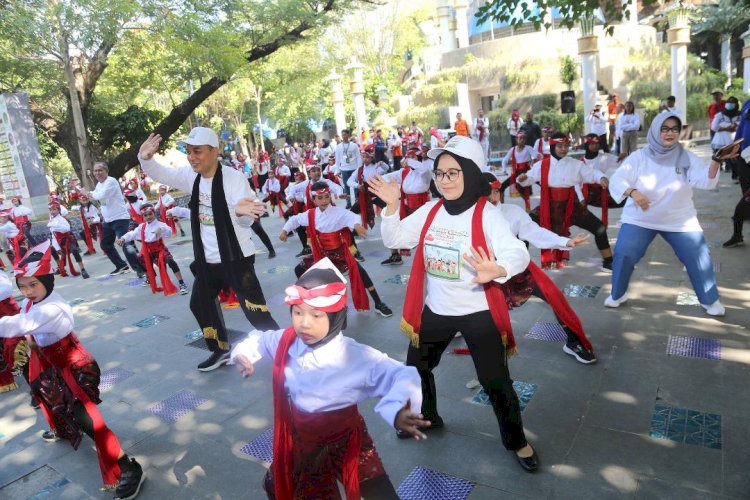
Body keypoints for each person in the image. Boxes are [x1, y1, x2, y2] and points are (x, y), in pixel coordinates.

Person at [369, 135, 540, 472]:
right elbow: (396, 239)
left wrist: (499, 268)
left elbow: (517, 252)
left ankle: (517, 441)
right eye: (440, 173)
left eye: (453, 173)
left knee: (496, 382)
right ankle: (428, 416)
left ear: (472, 174)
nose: (445, 181)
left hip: (478, 313)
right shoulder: (431, 210)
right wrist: (391, 207)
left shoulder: (487, 214)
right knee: (417, 370)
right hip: (437, 311)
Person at [230, 258, 425, 499]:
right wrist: (242, 354)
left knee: (378, 492)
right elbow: (259, 339)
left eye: (316, 315)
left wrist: (399, 409)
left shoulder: (354, 355)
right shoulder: (288, 341)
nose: (304, 323)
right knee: (288, 489)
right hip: (304, 442)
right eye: (298, 312)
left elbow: (402, 374)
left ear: (336, 318)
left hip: (347, 440)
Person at [0, 241, 145, 499]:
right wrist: (33, 342)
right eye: (23, 286)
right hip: (48, 361)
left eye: (33, 284)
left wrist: (30, 337)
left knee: (90, 421)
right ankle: (63, 429)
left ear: (47, 280)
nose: (28, 291)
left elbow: (17, 325)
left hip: (71, 366)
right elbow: (27, 327)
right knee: (46, 396)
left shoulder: (52, 308)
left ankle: (129, 467)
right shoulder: (32, 303)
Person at [138, 128, 280, 372]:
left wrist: (240, 214)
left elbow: (247, 218)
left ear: (215, 152)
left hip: (236, 257)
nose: (192, 157)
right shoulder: (190, 176)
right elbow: (162, 174)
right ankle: (220, 349)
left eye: (198, 151)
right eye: (189, 152)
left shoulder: (234, 179)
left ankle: (284, 347)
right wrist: (145, 159)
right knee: (200, 303)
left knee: (254, 309)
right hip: (207, 259)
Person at [606, 113, 737, 316]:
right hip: (641, 218)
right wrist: (633, 192)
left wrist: (716, 161)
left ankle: (710, 300)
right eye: (664, 128)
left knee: (699, 255)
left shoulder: (687, 157)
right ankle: (617, 294)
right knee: (624, 253)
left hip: (679, 219)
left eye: (674, 129)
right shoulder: (639, 156)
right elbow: (618, 179)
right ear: (656, 131)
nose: (670, 133)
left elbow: (705, 181)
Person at [485, 173, 597, 363]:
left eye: (496, 192)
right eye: (485, 194)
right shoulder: (469, 216)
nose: (493, 198)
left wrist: (566, 241)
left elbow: (534, 232)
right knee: (479, 310)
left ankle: (574, 341)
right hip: (487, 271)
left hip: (517, 266)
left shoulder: (512, 212)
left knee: (554, 296)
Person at [277, 182, 392, 317]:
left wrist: (356, 225)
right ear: (313, 200)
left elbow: (353, 217)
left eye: (326, 197)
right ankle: (313, 298)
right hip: (321, 255)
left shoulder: (338, 213)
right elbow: (295, 220)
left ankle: (378, 303)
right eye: (320, 198)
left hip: (340, 254)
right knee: (299, 269)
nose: (324, 200)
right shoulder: (311, 214)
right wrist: (284, 230)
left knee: (361, 274)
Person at [517, 133, 614, 271]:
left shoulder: (575, 164)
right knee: (523, 228)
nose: (563, 149)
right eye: (560, 146)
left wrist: (602, 177)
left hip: (571, 206)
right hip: (548, 207)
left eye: (566, 146)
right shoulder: (541, 165)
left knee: (599, 228)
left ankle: (609, 261)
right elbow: (528, 179)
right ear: (552, 146)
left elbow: (592, 173)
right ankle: (520, 266)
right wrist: (522, 178)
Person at [80, 161, 142, 276]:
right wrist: (89, 193)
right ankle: (121, 266)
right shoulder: (99, 184)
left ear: (106, 171)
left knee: (125, 244)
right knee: (105, 244)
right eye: (95, 171)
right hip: (108, 220)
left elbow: (100, 196)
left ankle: (140, 269)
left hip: (120, 218)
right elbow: (97, 194)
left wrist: (87, 193)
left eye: (100, 170)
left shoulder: (111, 181)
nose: (97, 173)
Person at [116, 204, 189, 296]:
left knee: (171, 262)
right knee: (139, 259)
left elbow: (169, 231)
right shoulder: (142, 226)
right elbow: (132, 234)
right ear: (142, 217)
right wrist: (122, 238)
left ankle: (182, 283)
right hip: (148, 251)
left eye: (150, 214)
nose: (148, 217)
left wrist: (161, 229)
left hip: (159, 249)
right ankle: (149, 278)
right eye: (145, 215)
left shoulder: (160, 224)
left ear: (154, 213)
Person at [379, 147, 433, 266]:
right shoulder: (405, 172)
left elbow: (422, 168)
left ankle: (427, 260)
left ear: (418, 158)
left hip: (421, 206)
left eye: (413, 156)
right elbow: (388, 177)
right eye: (408, 157)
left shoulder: (425, 170)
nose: (409, 160)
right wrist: (376, 179)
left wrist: (408, 160)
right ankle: (395, 256)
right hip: (406, 205)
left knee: (424, 234)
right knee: (393, 223)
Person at [577, 134, 624, 227]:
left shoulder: (605, 157)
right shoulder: (579, 162)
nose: (595, 146)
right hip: (585, 194)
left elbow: (621, 163)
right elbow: (575, 183)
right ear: (587, 145)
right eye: (592, 143)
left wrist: (625, 156)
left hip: (601, 191)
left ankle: (626, 219)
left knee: (626, 199)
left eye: (597, 143)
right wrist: (581, 198)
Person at [348, 146, 388, 230]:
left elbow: (386, 168)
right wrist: (357, 185)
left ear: (371, 157)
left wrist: (382, 163)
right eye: (363, 157)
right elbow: (349, 181)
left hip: (376, 194)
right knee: (352, 212)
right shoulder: (359, 170)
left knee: (389, 208)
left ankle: (395, 225)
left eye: (367, 157)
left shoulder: (376, 167)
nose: (365, 159)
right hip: (364, 196)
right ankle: (357, 230)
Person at [47, 202, 90, 279]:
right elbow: (53, 234)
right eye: (50, 209)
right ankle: (60, 267)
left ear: (58, 210)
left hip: (67, 240)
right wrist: (57, 248)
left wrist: (55, 226)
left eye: (54, 209)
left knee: (74, 250)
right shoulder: (51, 219)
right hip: (58, 241)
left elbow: (66, 229)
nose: (52, 211)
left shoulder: (62, 219)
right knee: (52, 249)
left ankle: (83, 269)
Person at [500, 131, 541, 211]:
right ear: (516, 139)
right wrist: (504, 170)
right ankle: (501, 207)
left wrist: (534, 160)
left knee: (543, 183)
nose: (522, 140)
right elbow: (504, 160)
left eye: (524, 138)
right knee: (502, 187)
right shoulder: (513, 150)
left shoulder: (528, 148)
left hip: (527, 172)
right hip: (516, 173)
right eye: (520, 138)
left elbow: (536, 155)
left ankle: (545, 202)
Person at [710, 96, 740, 178]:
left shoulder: (740, 115)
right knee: (718, 155)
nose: (730, 104)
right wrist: (726, 128)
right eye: (728, 102)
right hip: (721, 139)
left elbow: (741, 125)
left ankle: (735, 173)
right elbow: (714, 127)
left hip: (734, 138)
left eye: (732, 103)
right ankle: (714, 172)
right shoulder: (720, 115)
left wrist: (735, 126)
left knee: (735, 157)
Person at [334, 129, 362, 209]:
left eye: (345, 134)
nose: (344, 136)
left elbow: (358, 157)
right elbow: (337, 159)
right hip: (344, 169)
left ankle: (357, 201)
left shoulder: (354, 145)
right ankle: (348, 202)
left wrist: (359, 168)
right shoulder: (339, 147)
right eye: (342, 135)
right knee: (346, 186)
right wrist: (337, 170)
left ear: (348, 135)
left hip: (354, 168)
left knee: (355, 185)